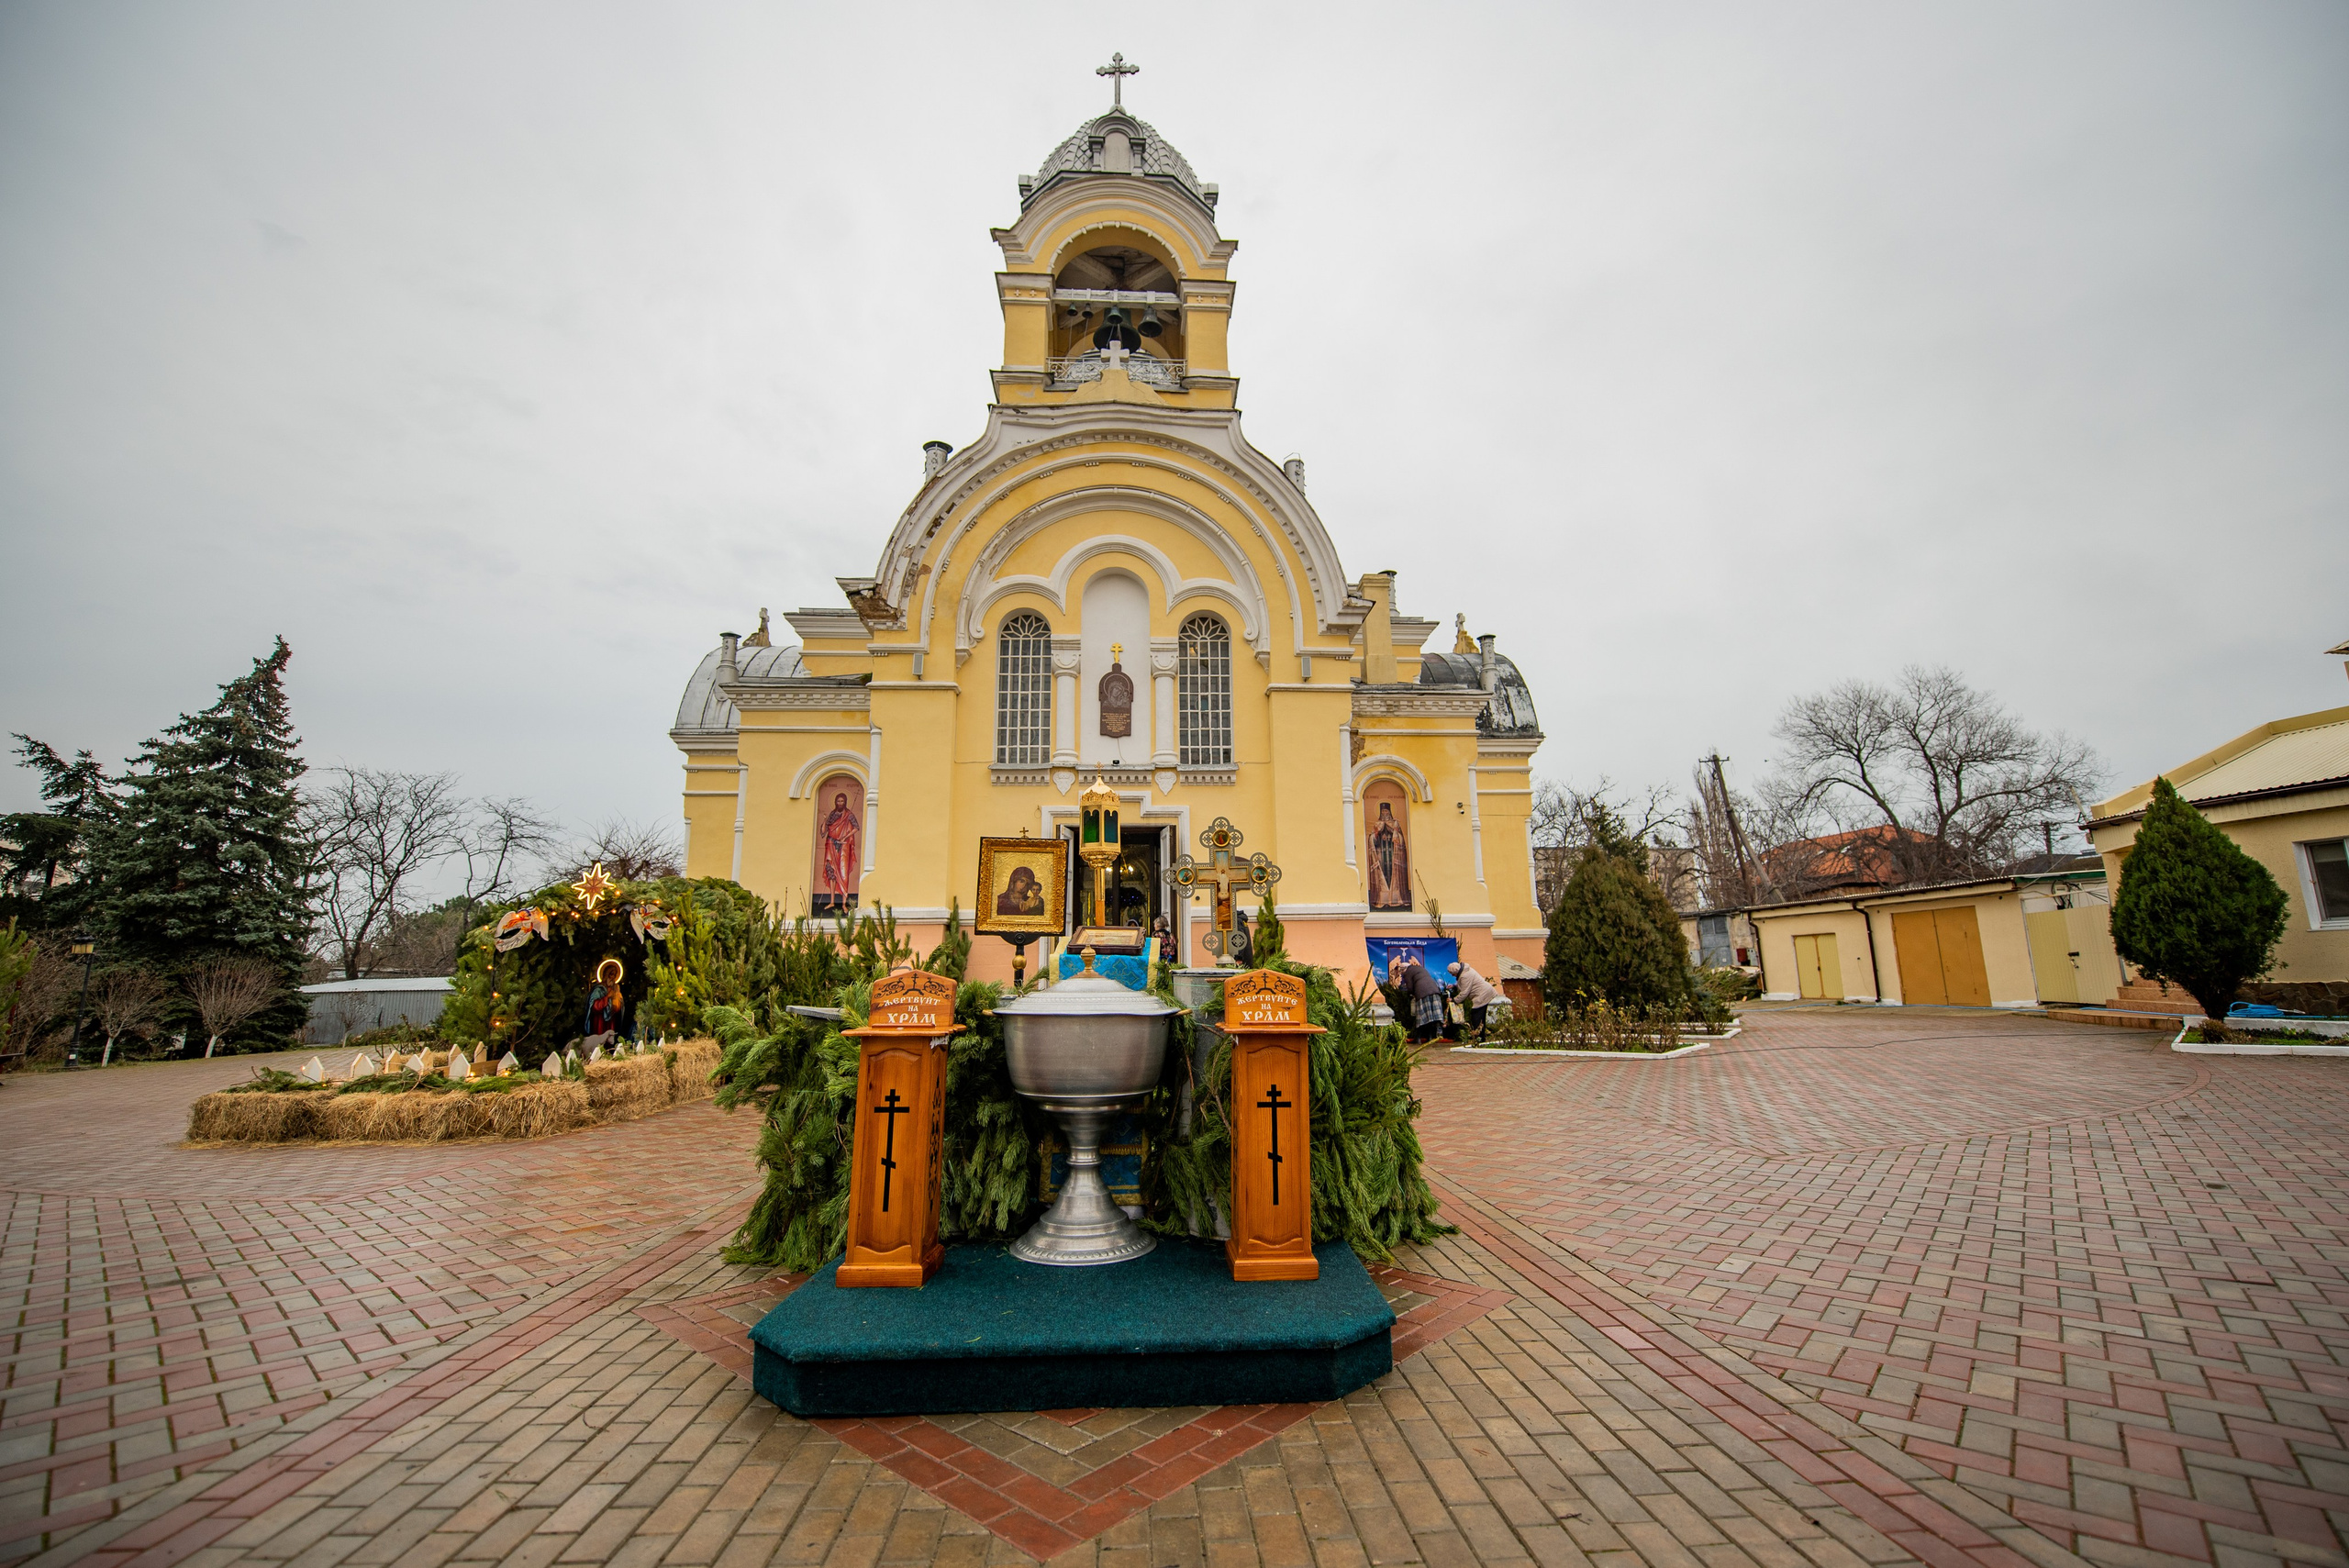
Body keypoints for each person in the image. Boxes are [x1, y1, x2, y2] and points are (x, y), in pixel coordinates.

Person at [1449, 962, 1504, 1038]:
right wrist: (1455, 986)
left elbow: (1465, 992)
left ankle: (1479, 1037)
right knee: (1480, 1016)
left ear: (1456, 972)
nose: (1452, 975)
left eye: (1452, 974)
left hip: (1482, 995)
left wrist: (1454, 1000)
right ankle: (1481, 1035)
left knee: (1476, 1016)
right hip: (1485, 992)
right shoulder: (1466, 970)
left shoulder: (1465, 975)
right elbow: (1465, 984)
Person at [1399, 955, 1444, 1043]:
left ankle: (1418, 1038)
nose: (1402, 974)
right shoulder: (1420, 968)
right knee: (1432, 1017)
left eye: (1401, 972)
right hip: (1434, 990)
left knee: (1422, 1016)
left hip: (1422, 993)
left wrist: (1410, 994)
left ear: (1404, 969)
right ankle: (1430, 1037)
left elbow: (1410, 987)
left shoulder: (1408, 972)